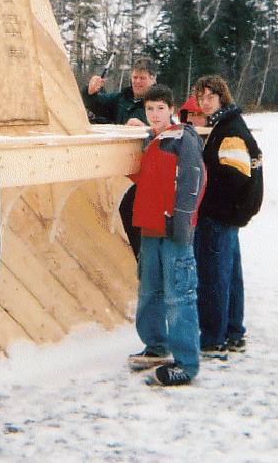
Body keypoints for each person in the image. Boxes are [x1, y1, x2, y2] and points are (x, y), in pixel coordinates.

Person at [126, 85, 206, 386]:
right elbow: (146, 178)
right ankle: (156, 346)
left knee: (178, 296)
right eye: (150, 109)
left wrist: (183, 222)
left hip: (174, 230)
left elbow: (194, 181)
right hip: (149, 229)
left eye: (160, 108)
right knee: (149, 293)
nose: (155, 114)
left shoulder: (184, 137)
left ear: (171, 109)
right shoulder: (152, 141)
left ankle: (186, 362)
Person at [192, 75, 263, 359]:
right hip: (228, 217)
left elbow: (235, 178)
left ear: (222, 97)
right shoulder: (226, 124)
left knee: (213, 278)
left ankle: (213, 338)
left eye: (210, 97)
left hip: (219, 217)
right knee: (230, 277)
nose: (205, 102)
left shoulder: (230, 131)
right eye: (201, 97)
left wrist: (206, 197)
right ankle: (233, 332)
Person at [81, 57, 158, 260]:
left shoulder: (157, 102)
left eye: (142, 78)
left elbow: (168, 129)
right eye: (134, 77)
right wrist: (90, 91)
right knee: (128, 213)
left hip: (148, 173)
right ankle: (142, 261)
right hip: (123, 171)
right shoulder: (123, 98)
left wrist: (147, 129)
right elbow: (98, 103)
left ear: (153, 79)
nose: (137, 82)